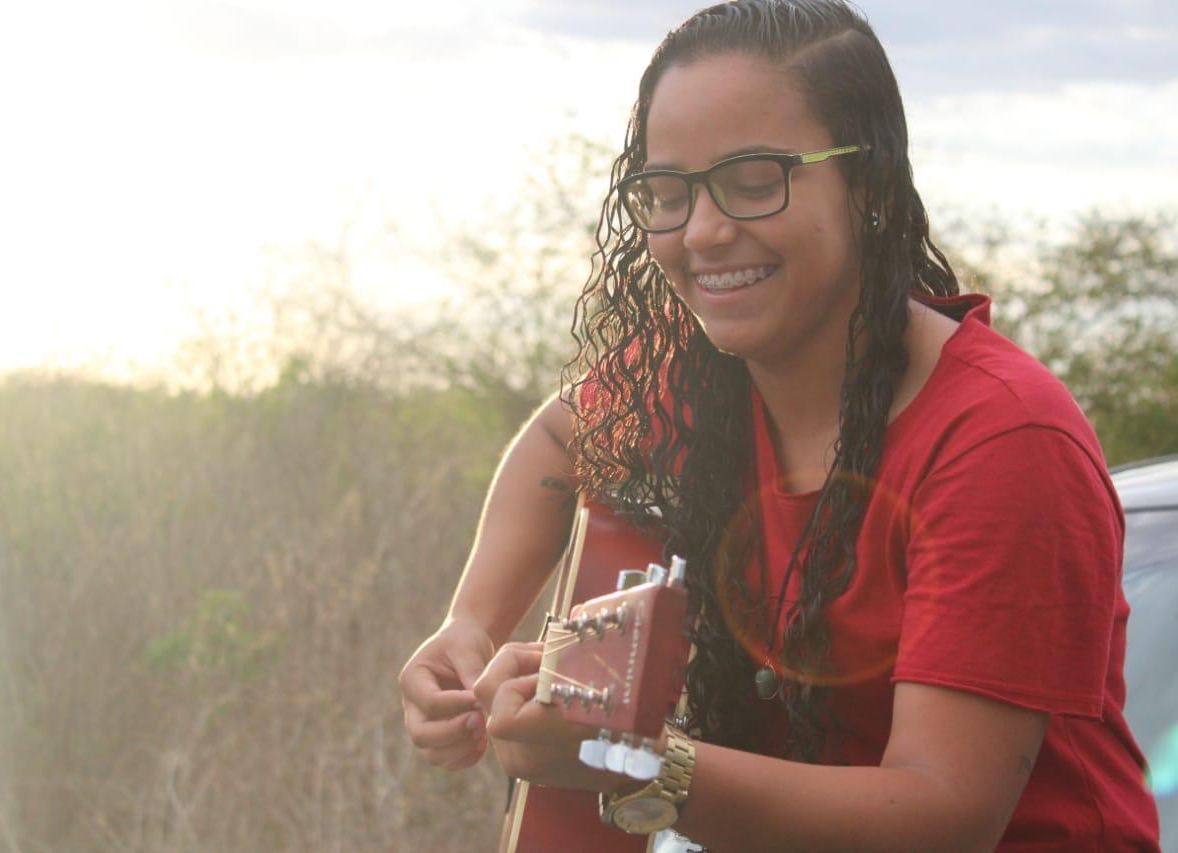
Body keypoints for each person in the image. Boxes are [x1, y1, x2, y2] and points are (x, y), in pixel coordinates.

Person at [398, 1, 1162, 849]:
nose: (704, 231)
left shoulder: (1004, 442)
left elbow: (943, 816)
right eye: (667, 192)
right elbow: (558, 439)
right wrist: (470, 625)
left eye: (755, 179)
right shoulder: (694, 374)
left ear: (867, 182)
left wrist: (639, 761)